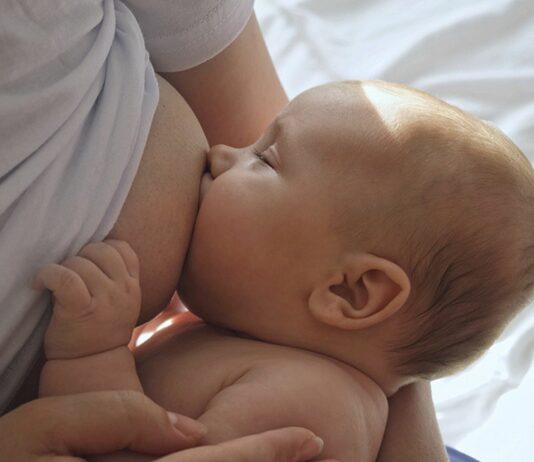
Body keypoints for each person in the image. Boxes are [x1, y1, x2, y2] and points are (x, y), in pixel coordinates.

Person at [34, 81, 534, 460]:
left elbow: (116, 450)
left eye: (265, 160)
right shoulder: (267, 353)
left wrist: (91, 352)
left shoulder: (310, 403)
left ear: (352, 292)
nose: (220, 153)